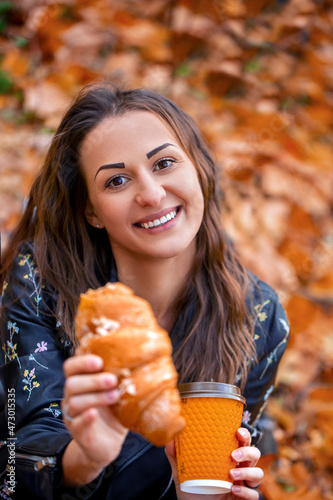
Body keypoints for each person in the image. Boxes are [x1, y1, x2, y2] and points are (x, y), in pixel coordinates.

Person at [0, 82, 289, 500]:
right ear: (91, 211)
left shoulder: (260, 317)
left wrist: (207, 493)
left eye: (165, 163)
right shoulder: (40, 283)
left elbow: (232, 460)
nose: (152, 194)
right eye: (117, 181)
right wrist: (84, 457)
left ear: (200, 169)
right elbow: (13, 468)